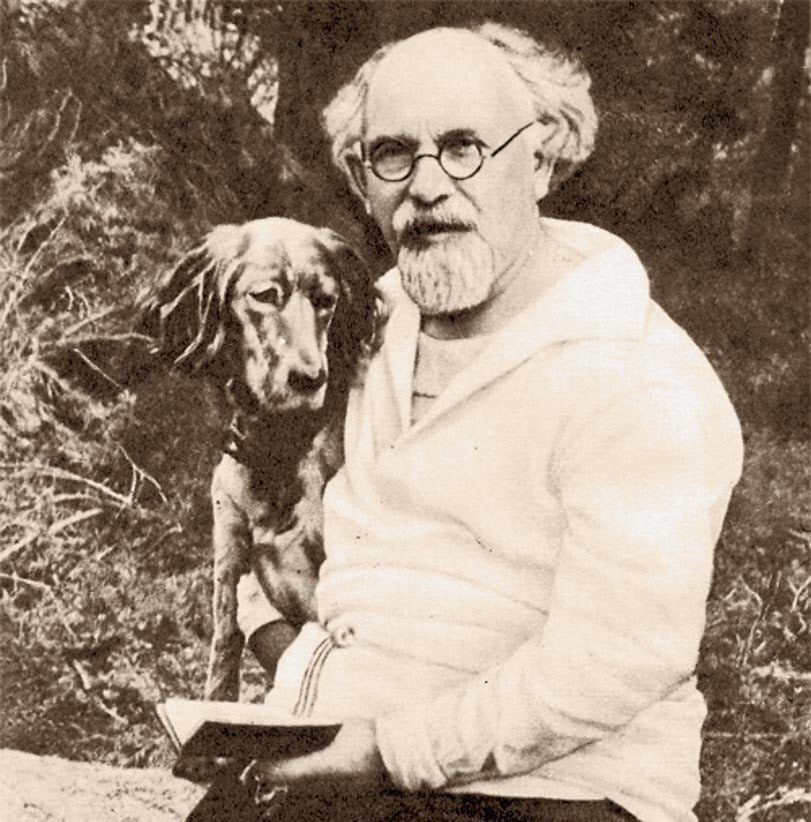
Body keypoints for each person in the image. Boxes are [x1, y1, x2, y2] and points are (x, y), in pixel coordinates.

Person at [235, 21, 743, 822]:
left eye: (463, 148)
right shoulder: (365, 329)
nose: (427, 185)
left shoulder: (641, 378)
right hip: (340, 773)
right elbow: (290, 528)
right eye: (393, 154)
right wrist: (275, 637)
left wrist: (386, 751)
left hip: (555, 797)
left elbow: (611, 661)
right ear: (361, 180)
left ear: (539, 160)